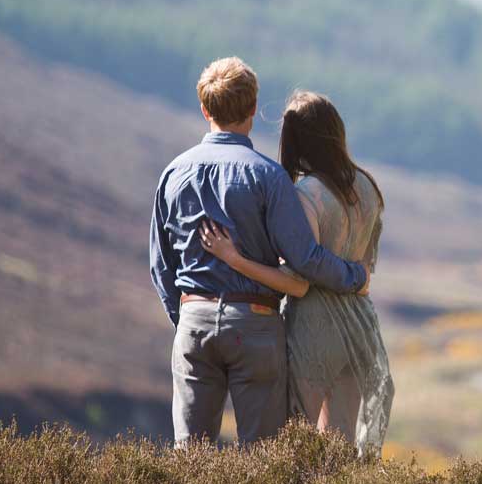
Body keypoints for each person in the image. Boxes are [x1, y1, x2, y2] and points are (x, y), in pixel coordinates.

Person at [149, 58, 369, 447]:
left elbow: (161, 265)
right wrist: (355, 277)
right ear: (253, 109)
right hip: (256, 322)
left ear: (205, 110)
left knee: (190, 457)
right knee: (262, 459)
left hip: (193, 319)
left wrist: (186, 314)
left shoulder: (173, 173)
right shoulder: (269, 176)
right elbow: (306, 259)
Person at [198, 90, 393, 457]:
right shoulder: (368, 188)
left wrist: (236, 259)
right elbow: (365, 273)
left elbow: (299, 280)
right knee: (341, 449)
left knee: (298, 450)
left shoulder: (307, 193)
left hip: (312, 331)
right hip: (358, 328)